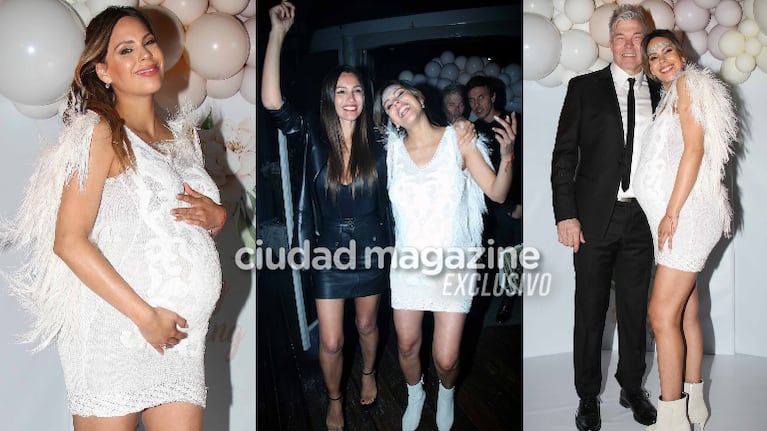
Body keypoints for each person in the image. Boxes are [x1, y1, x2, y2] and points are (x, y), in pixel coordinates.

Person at [1, 6, 226, 430]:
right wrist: (145, 318)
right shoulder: (100, 131)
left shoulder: (183, 138)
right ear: (103, 70)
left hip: (180, 340)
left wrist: (217, 215)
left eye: (148, 43)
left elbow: (176, 224)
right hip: (117, 331)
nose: (144, 55)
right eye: (126, 50)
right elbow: (69, 240)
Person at [261, 2, 394, 430]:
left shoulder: (382, 141)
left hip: (373, 248)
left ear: (365, 97)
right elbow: (272, 102)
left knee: (367, 325)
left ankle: (369, 372)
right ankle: (335, 399)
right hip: (329, 253)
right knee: (332, 340)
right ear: (329, 98)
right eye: (341, 91)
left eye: (356, 91)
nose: (349, 99)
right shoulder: (313, 135)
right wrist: (277, 34)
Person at [375, 80, 515, 431]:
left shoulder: (458, 139)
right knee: (407, 346)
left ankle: (447, 392)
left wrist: (508, 154)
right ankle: (416, 394)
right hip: (409, 264)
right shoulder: (392, 152)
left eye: (400, 94)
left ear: (420, 98)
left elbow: (497, 193)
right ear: (391, 118)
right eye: (389, 104)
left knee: (447, 358)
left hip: (453, 265)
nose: (396, 103)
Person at [550, 5, 661, 430]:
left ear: (646, 42)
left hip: (643, 219)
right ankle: (587, 396)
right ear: (609, 42)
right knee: (590, 311)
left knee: (635, 311)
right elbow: (564, 156)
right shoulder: (584, 88)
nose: (629, 45)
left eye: (637, 36)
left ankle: (632, 386)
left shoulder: (664, 89)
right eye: (621, 37)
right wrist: (566, 215)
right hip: (594, 220)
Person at [634, 29, 736, 431]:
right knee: (686, 312)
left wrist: (672, 212)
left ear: (682, 54)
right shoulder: (672, 94)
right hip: (681, 216)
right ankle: (695, 403)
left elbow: (694, 150)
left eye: (667, 51)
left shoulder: (688, 84)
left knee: (661, 315)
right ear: (649, 67)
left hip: (685, 216)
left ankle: (672, 417)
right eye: (653, 56)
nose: (662, 60)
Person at [466, 75, 522, 323]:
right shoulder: (474, 130)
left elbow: (526, 165)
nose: (476, 104)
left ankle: (509, 299)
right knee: (486, 257)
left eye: (481, 97)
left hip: (510, 205)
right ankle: (484, 299)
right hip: (484, 207)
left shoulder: (513, 123)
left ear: (493, 97)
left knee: (510, 256)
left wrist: (521, 203)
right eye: (472, 100)